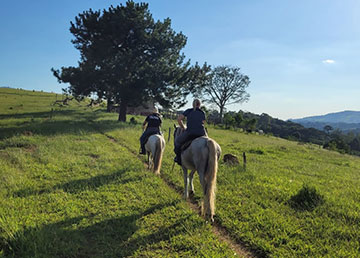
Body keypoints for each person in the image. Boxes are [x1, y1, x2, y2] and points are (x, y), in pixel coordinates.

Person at [174, 99, 207, 165]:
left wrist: (183, 127)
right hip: (201, 133)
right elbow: (203, 122)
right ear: (199, 104)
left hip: (190, 132)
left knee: (177, 142)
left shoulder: (189, 111)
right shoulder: (202, 112)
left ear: (193, 104)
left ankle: (178, 159)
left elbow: (179, 119)